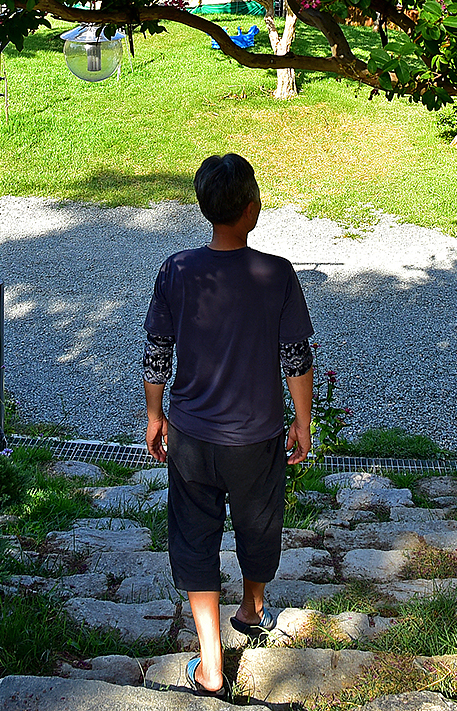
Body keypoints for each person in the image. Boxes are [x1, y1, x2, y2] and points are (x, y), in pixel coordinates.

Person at [144, 152, 315, 696]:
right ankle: (252, 607)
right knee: (259, 524)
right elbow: (296, 357)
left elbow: (156, 352)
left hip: (192, 436)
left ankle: (211, 663)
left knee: (194, 537)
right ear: (252, 210)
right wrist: (302, 422)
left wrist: (155, 415)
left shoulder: (177, 270)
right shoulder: (277, 274)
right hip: (257, 435)